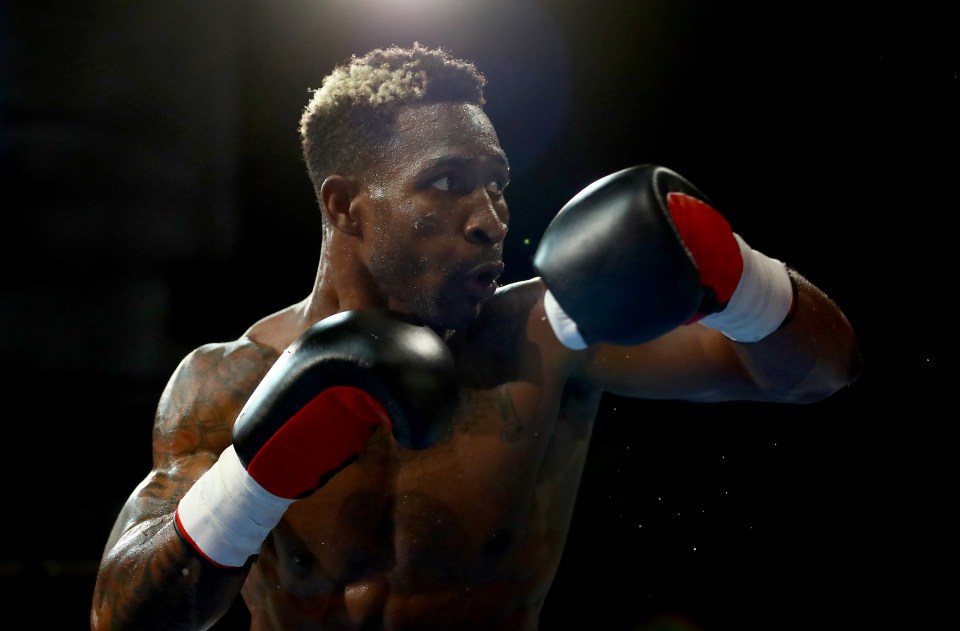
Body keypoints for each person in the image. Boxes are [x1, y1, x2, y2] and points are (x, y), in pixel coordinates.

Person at [90, 43, 862, 630]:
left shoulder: (547, 336)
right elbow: (121, 615)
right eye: (448, 181)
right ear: (347, 206)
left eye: (496, 183)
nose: (490, 217)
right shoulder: (229, 381)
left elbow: (816, 372)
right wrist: (256, 478)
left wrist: (740, 279)